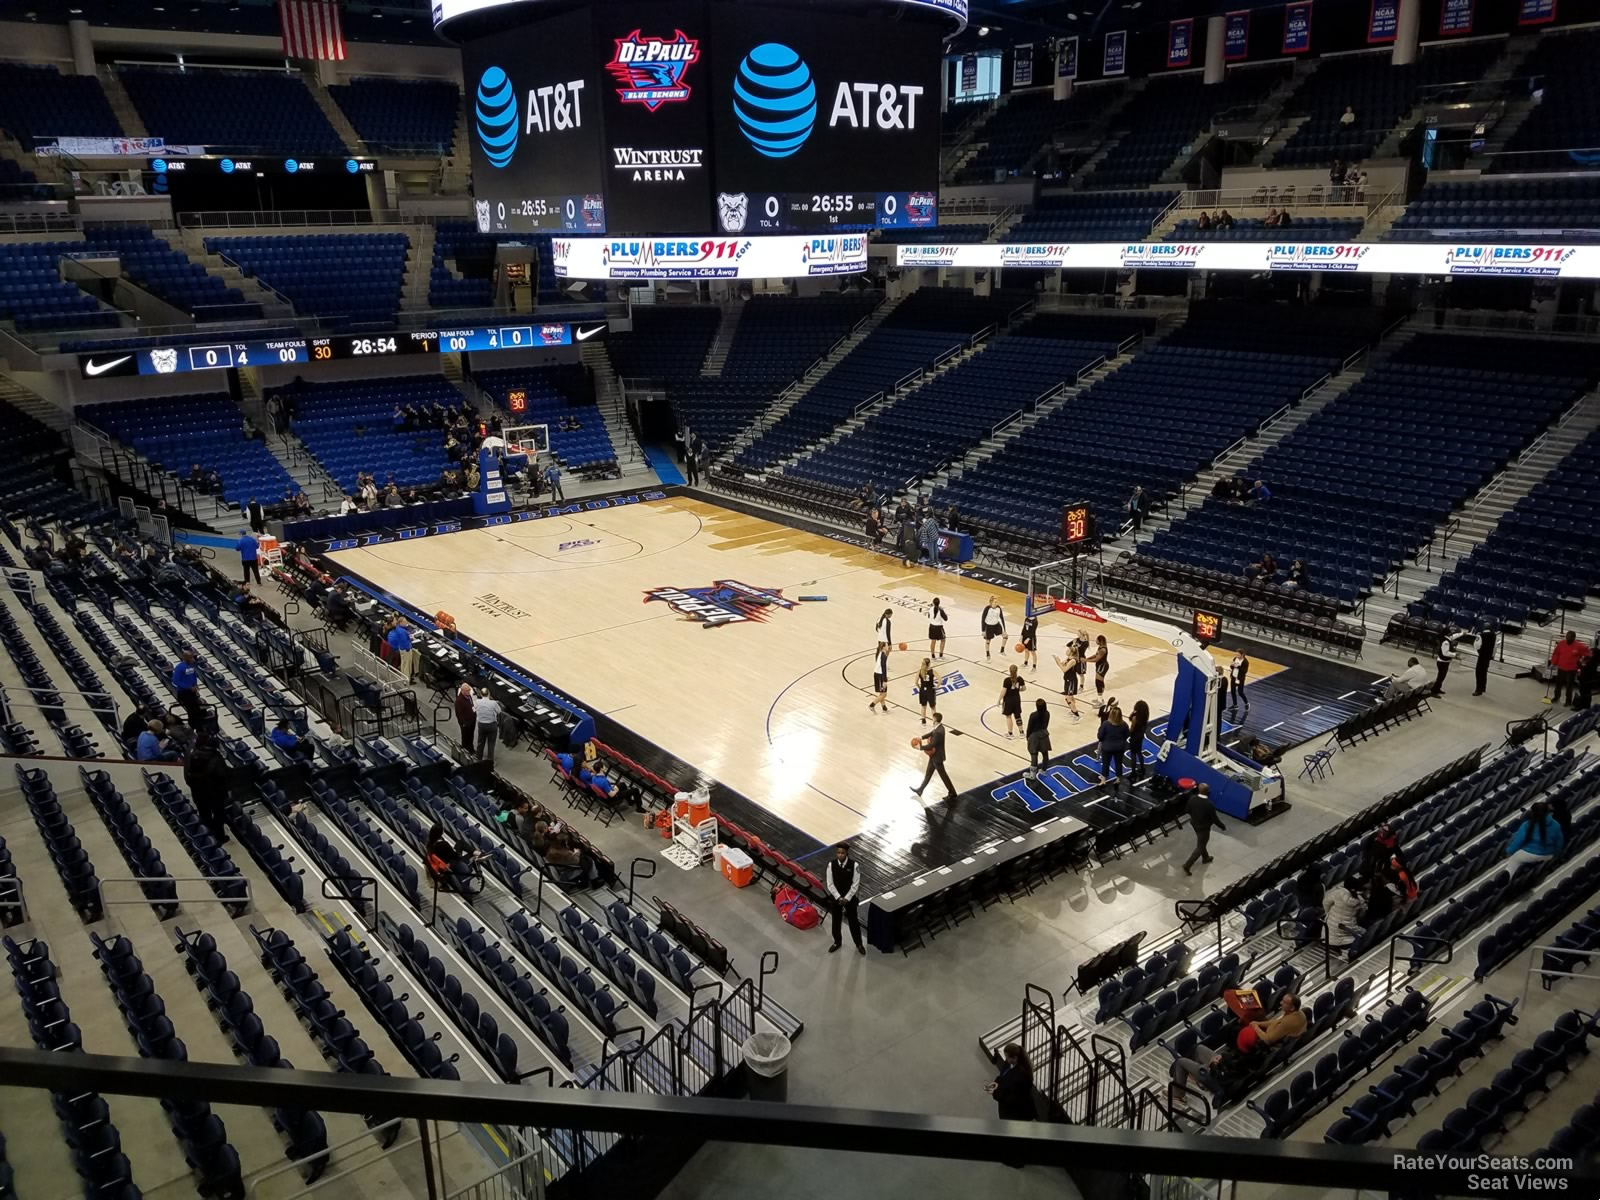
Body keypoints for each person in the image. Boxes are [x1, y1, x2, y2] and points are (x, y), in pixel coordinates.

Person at [1169, 993, 1304, 1112]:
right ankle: (1197, 1078)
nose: (1280, 1002)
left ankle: (1177, 1095)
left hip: (1215, 1076)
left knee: (1180, 1062)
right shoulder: (1255, 1055)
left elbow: (1226, 1068)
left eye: (1284, 1002)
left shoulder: (1236, 1059)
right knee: (1199, 1049)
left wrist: (1215, 1064)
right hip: (1225, 1068)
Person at [184, 730, 231, 842]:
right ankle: (219, 837)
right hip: (214, 793)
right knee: (219, 815)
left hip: (197, 791)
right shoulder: (216, 759)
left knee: (204, 815)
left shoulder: (194, 754)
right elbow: (223, 774)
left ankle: (207, 837)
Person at [825, 844, 865, 955]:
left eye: (842, 853)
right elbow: (830, 883)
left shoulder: (854, 865)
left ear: (846, 853)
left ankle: (859, 944)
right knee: (836, 921)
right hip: (836, 898)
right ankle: (837, 942)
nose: (840, 855)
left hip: (850, 899)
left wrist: (847, 898)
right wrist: (838, 897)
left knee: (854, 922)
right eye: (838, 852)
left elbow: (855, 884)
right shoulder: (831, 865)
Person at [912, 711, 957, 803]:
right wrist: (921, 737)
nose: (932, 719)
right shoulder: (939, 728)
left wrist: (919, 747)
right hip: (934, 756)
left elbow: (931, 746)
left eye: (933, 718)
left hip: (937, 757)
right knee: (928, 774)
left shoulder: (938, 732)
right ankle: (920, 790)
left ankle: (952, 793)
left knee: (943, 776)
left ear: (935, 720)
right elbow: (931, 733)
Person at [986, 1043, 1035, 1127]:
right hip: (1008, 1111)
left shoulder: (1022, 1075)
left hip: (1016, 1113)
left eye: (1007, 1057)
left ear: (1015, 1058)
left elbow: (1014, 1099)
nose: (1006, 1059)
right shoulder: (1009, 1063)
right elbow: (1003, 1075)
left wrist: (995, 1093)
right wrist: (996, 1083)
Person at [1506, 801, 1564, 873]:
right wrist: (1555, 856)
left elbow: (1518, 841)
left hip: (1529, 854)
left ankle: (1507, 882)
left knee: (1513, 860)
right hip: (1548, 855)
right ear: (1547, 812)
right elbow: (1559, 843)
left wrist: (1509, 852)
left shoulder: (1527, 824)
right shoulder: (1556, 824)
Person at [1183, 783, 1225, 875]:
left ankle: (1205, 857)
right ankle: (1187, 865)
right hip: (1204, 828)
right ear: (1208, 792)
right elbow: (1215, 819)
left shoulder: (1192, 798)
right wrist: (1222, 826)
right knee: (1200, 846)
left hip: (1194, 824)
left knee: (1202, 842)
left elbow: (1187, 810)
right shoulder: (1209, 804)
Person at [1549, 631, 1591, 707]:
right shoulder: (1561, 643)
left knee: (1569, 685)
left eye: (1570, 639)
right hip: (1561, 667)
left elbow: (1589, 654)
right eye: (1567, 638)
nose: (1568, 640)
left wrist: (1583, 662)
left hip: (1571, 669)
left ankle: (1568, 701)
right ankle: (1556, 697)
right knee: (1558, 683)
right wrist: (1553, 663)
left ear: (1574, 638)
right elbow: (1556, 653)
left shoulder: (1579, 646)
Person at [172, 650, 205, 729]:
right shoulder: (180, 667)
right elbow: (175, 681)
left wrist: (195, 685)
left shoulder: (191, 666)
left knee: (196, 710)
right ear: (186, 658)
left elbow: (193, 676)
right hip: (184, 693)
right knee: (191, 711)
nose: (192, 659)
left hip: (192, 692)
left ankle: (197, 726)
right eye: (190, 657)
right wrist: (188, 687)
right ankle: (192, 727)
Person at [1098, 702, 1128, 786]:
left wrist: (1104, 740)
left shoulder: (1105, 724)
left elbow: (1100, 736)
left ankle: (1103, 780)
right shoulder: (1124, 725)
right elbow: (1127, 735)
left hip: (1107, 747)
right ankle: (1118, 779)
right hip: (1119, 747)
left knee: (1105, 763)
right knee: (1118, 763)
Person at [1053, 643, 1084, 722]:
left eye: (1068, 650)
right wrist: (1057, 661)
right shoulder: (1068, 658)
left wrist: (1058, 661)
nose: (1066, 651)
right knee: (1071, 697)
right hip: (1067, 680)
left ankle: (1077, 716)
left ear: (1071, 652)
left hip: (1071, 681)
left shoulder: (1073, 660)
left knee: (1068, 698)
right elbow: (1062, 664)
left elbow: (1064, 669)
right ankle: (1072, 710)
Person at [473, 687, 503, 762]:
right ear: (489, 694)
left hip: (481, 725)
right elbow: (499, 711)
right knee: (491, 744)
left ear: (480, 694)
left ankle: (478, 759)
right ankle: (490, 762)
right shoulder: (493, 703)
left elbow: (474, 709)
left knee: (480, 742)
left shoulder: (477, 702)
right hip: (491, 725)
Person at [1434, 629, 1464, 696]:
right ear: (1447, 634)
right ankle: (1434, 691)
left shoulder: (1446, 638)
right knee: (1440, 677)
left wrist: (1462, 633)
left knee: (1442, 677)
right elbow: (1445, 653)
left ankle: (1438, 688)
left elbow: (1454, 636)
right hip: (1443, 662)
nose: (1451, 633)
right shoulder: (1446, 642)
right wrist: (1455, 654)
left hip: (1444, 662)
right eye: (1450, 632)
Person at [1126, 699, 1150, 782]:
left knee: (1133, 755)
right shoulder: (1145, 717)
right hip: (1140, 736)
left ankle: (1133, 773)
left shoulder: (1135, 718)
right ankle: (1142, 768)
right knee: (1139, 752)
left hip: (1134, 737)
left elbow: (1132, 729)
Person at [1000, 664, 1026, 738]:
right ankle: (1022, 733)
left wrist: (999, 699)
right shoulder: (1020, 679)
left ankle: (1010, 734)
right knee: (1018, 716)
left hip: (1008, 700)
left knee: (1008, 716)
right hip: (1017, 699)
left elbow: (1003, 691)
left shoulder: (1007, 680)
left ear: (1010, 671)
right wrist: (1018, 690)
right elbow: (1024, 688)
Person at [1473, 623, 1497, 697]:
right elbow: (1495, 647)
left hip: (1482, 656)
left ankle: (1478, 690)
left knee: (1479, 672)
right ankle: (1483, 687)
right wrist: (1493, 655)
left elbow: (1476, 645)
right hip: (1488, 656)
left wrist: (1479, 651)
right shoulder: (1494, 635)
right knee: (1484, 672)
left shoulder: (1481, 635)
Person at [980, 596, 1007, 661]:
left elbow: (1002, 618)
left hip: (996, 625)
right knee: (988, 641)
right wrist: (983, 630)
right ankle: (988, 655)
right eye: (995, 602)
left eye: (997, 602)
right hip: (989, 626)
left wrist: (1004, 630)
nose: (996, 603)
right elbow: (983, 619)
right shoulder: (987, 608)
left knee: (1005, 636)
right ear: (991, 602)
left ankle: (1002, 650)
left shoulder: (998, 608)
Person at [1085, 635, 1110, 702]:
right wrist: (1087, 658)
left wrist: (1086, 661)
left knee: (1098, 682)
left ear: (1100, 641)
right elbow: (1095, 655)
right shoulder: (1100, 647)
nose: (1095, 641)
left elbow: (1096, 659)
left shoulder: (1103, 649)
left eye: (1097, 640)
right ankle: (1100, 698)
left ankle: (1100, 700)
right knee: (1100, 681)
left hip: (1102, 666)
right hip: (1100, 666)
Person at [454, 679, 477, 752]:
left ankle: (471, 749)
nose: (468, 692)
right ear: (462, 691)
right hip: (465, 722)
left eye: (469, 690)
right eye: (467, 690)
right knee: (465, 737)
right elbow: (459, 714)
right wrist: (463, 723)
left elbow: (471, 703)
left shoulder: (468, 696)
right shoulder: (459, 700)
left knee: (471, 735)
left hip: (472, 719)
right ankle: (465, 750)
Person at [915, 657, 939, 725]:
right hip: (930, 690)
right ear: (929, 664)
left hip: (923, 690)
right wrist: (936, 687)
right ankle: (934, 721)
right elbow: (940, 680)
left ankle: (923, 721)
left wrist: (920, 687)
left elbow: (916, 682)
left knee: (923, 706)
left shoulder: (920, 671)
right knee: (933, 707)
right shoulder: (932, 671)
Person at [1227, 648, 1250, 716]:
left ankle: (1246, 703)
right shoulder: (1235, 659)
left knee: (1240, 692)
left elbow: (1244, 671)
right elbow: (1232, 668)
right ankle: (1235, 705)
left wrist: (1239, 666)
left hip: (1240, 679)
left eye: (1238, 655)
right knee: (1233, 691)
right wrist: (1232, 666)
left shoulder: (1245, 662)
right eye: (1236, 654)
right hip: (1234, 677)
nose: (1237, 656)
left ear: (1242, 655)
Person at [870, 641, 890, 714]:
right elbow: (883, 667)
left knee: (882, 693)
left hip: (878, 674)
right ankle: (872, 705)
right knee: (884, 694)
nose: (888, 647)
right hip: (880, 675)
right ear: (884, 647)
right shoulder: (883, 656)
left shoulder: (880, 653)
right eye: (887, 645)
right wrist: (885, 680)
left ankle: (884, 708)